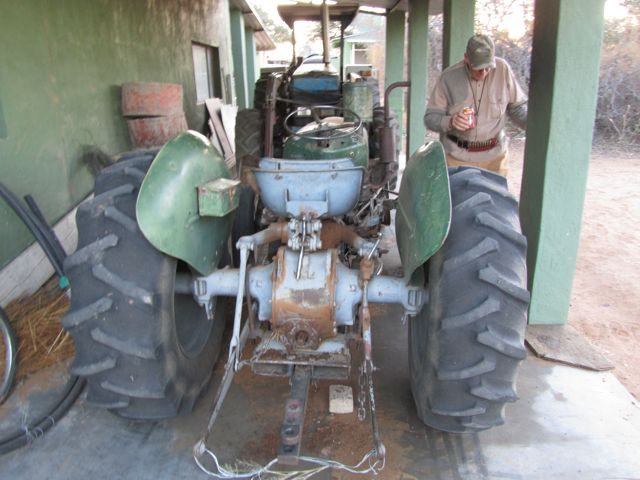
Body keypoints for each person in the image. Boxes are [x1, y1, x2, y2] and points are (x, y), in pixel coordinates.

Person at [424, 34, 528, 176]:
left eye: (488, 67)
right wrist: (451, 121)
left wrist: (535, 126)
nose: (484, 72)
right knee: (459, 198)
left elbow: (517, 109)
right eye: (478, 68)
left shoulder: (503, 70)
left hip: (495, 159)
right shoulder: (448, 77)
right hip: (457, 158)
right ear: (466, 58)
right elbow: (430, 118)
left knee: (497, 198)